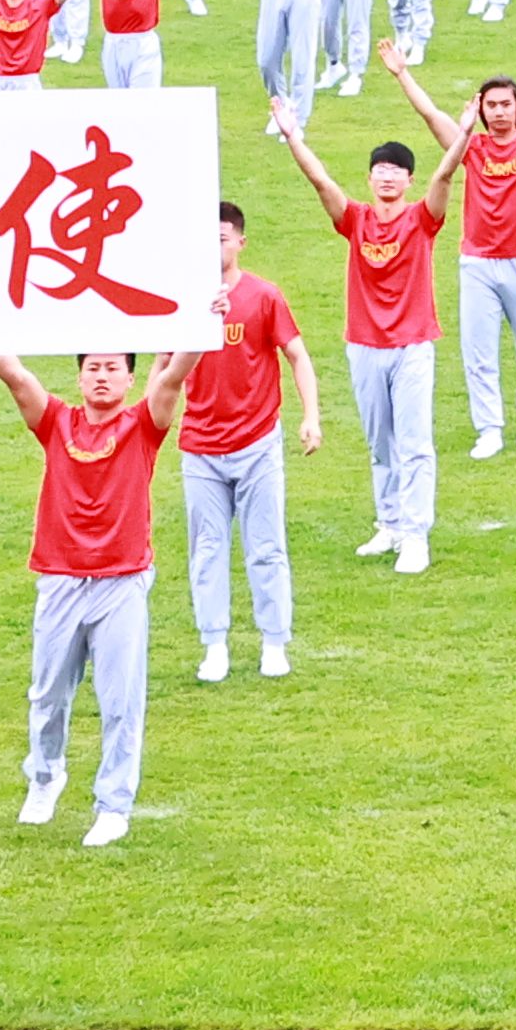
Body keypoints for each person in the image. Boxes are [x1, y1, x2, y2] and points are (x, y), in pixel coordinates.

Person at [0, 322, 167, 843]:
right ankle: (45, 776)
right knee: (48, 693)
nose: (102, 377)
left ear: (129, 378)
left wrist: (199, 323)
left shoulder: (143, 425)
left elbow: (174, 375)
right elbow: (14, 376)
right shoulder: (56, 422)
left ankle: (114, 805)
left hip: (121, 581)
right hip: (60, 579)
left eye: (113, 368)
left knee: (121, 700)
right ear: (79, 377)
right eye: (92, 367)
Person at [386, 38, 516, 462]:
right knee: (478, 351)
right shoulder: (472, 148)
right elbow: (431, 115)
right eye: (491, 105)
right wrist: (403, 74)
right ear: (481, 110)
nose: (499, 112)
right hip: (479, 263)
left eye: (505, 104)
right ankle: (489, 428)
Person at [270, 115, 447, 573]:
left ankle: (415, 535)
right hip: (365, 345)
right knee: (380, 442)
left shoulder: (421, 219)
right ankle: (389, 523)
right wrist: (292, 135)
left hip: (412, 345)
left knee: (415, 443)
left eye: (396, 170)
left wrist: (464, 132)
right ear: (369, 179)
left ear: (409, 180)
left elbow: (446, 177)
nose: (387, 177)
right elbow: (320, 181)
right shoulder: (356, 220)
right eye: (380, 170)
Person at [168, 203, 322, 684]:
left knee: (266, 547)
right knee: (207, 549)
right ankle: (214, 644)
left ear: (240, 242)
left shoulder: (263, 297)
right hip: (201, 446)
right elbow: (163, 369)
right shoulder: (184, 300)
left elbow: (297, 354)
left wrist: (311, 416)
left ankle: (274, 642)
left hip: (257, 444)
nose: (215, 246)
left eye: (222, 237)